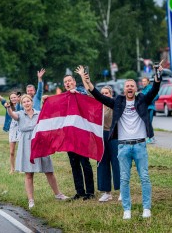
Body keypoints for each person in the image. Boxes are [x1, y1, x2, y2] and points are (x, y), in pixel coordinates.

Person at [75, 63, 163, 219]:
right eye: (127, 86)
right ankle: (127, 209)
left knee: (144, 177)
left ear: (135, 89)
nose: (130, 88)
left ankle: (146, 208)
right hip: (123, 147)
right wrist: (86, 80)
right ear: (124, 89)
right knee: (124, 178)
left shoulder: (142, 100)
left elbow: (155, 89)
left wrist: (157, 74)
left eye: (132, 86)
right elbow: (98, 95)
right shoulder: (117, 102)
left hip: (140, 145)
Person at [7, 94, 68, 209]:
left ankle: (58, 194)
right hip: (26, 144)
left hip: (40, 143)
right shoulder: (20, 114)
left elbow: (50, 117)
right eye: (24, 102)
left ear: (31, 102)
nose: (26, 103)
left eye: (28, 101)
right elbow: (13, 115)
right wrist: (8, 108)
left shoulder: (39, 113)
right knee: (29, 174)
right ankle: (31, 200)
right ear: (22, 104)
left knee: (49, 170)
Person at [63, 75, 95, 200]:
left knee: (84, 163)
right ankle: (80, 191)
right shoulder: (64, 97)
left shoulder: (81, 92)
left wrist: (74, 93)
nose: (67, 83)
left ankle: (90, 192)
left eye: (69, 81)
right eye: (65, 82)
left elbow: (87, 98)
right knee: (74, 164)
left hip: (82, 134)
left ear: (74, 82)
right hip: (69, 136)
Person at [97, 86, 121, 202]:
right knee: (103, 163)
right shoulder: (97, 106)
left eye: (106, 93)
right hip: (101, 136)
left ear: (111, 94)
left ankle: (122, 190)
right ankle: (107, 192)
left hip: (113, 135)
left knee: (117, 163)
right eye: (102, 93)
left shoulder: (114, 104)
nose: (104, 94)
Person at [141, 77, 159, 144]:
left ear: (148, 82)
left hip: (150, 108)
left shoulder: (150, 88)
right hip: (145, 108)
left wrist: (150, 101)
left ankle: (151, 138)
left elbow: (157, 96)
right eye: (142, 81)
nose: (143, 83)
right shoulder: (144, 89)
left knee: (148, 123)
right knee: (147, 123)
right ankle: (151, 137)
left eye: (145, 81)